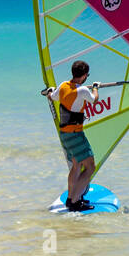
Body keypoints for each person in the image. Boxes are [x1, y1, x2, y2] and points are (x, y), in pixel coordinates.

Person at [42, 60, 99, 211]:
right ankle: (75, 201)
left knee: (76, 165)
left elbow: (52, 97)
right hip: (75, 134)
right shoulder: (83, 91)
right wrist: (95, 88)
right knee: (90, 167)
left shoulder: (62, 86)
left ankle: (70, 199)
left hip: (65, 135)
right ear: (85, 75)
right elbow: (94, 99)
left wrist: (49, 91)